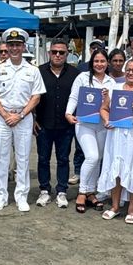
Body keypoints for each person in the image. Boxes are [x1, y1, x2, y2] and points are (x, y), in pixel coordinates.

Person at [0, 28, 46, 212]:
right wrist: (5, 115)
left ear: (23, 46)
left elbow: (36, 97)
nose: (14, 49)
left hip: (23, 117)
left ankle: (21, 197)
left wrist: (20, 115)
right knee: (1, 157)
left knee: (23, 158)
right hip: (2, 117)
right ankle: (1, 197)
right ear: (6, 47)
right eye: (11, 45)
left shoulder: (32, 70)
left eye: (17, 45)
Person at [97, 59, 133, 224]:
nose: (131, 73)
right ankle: (115, 206)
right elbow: (103, 108)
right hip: (115, 134)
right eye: (128, 70)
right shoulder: (115, 88)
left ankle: (132, 208)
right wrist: (107, 120)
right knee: (116, 167)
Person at [66, 48, 114, 213]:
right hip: (84, 123)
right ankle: (82, 191)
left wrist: (108, 96)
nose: (99, 64)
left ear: (107, 63)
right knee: (91, 156)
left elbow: (112, 106)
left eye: (102, 61)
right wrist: (68, 113)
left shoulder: (111, 82)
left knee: (98, 158)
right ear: (91, 63)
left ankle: (91, 192)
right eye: (96, 61)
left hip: (102, 125)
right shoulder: (82, 77)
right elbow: (74, 97)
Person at [34, 37, 79, 207]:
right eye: (54, 52)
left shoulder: (75, 75)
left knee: (63, 159)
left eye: (62, 52)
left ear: (67, 53)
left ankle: (61, 191)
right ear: (49, 53)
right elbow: (31, 97)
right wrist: (32, 119)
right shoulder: (39, 72)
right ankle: (44, 190)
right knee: (43, 159)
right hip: (43, 124)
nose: (58, 55)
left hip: (65, 126)